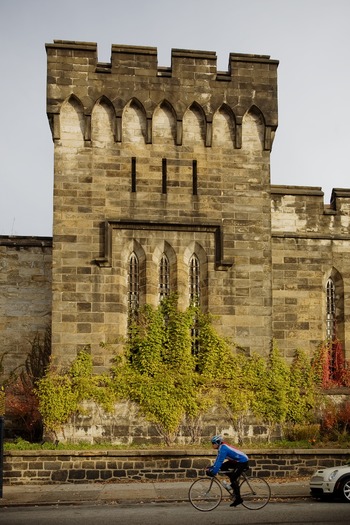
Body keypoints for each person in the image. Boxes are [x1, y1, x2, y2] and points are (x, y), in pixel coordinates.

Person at [206, 435, 249, 507]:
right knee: (223, 467)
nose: (212, 445)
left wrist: (213, 472)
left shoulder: (223, 449)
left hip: (242, 461)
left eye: (213, 443)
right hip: (236, 461)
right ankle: (234, 482)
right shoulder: (221, 447)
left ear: (217, 442)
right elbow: (218, 460)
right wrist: (212, 467)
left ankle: (238, 499)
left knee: (233, 478)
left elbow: (219, 461)